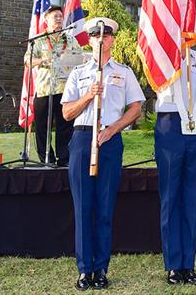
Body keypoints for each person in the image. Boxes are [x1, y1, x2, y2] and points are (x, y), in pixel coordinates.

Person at [61, 17, 145, 291]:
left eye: (105, 35)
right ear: (91, 39)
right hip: (83, 138)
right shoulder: (78, 73)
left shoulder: (124, 72)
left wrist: (113, 129)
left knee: (105, 207)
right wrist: (87, 96)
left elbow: (135, 108)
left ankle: (101, 269)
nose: (101, 39)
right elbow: (66, 113)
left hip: (109, 139)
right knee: (83, 208)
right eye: (95, 35)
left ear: (111, 40)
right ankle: (85, 270)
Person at [154, 47, 196, 285]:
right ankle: (173, 265)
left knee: (191, 198)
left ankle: (188, 265)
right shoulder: (161, 52)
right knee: (170, 198)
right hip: (169, 125)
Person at [26, 5, 83, 166]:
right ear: (46, 20)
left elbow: (80, 58)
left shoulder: (71, 39)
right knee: (42, 127)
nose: (58, 19)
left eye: (60, 16)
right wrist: (43, 61)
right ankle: (46, 159)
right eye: (54, 16)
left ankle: (64, 159)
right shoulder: (38, 40)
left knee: (65, 126)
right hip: (44, 90)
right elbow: (27, 61)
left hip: (65, 91)